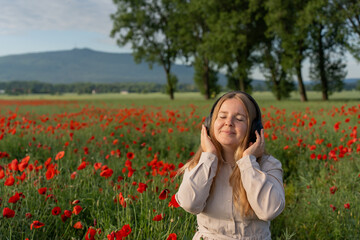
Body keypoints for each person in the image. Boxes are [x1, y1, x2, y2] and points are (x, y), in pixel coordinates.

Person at [175, 91, 285, 240]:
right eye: (222, 116)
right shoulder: (200, 164)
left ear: (254, 129)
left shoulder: (268, 165)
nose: (228, 122)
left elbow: (269, 211)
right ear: (210, 123)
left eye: (239, 118)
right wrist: (209, 157)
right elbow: (189, 204)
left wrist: (248, 162)